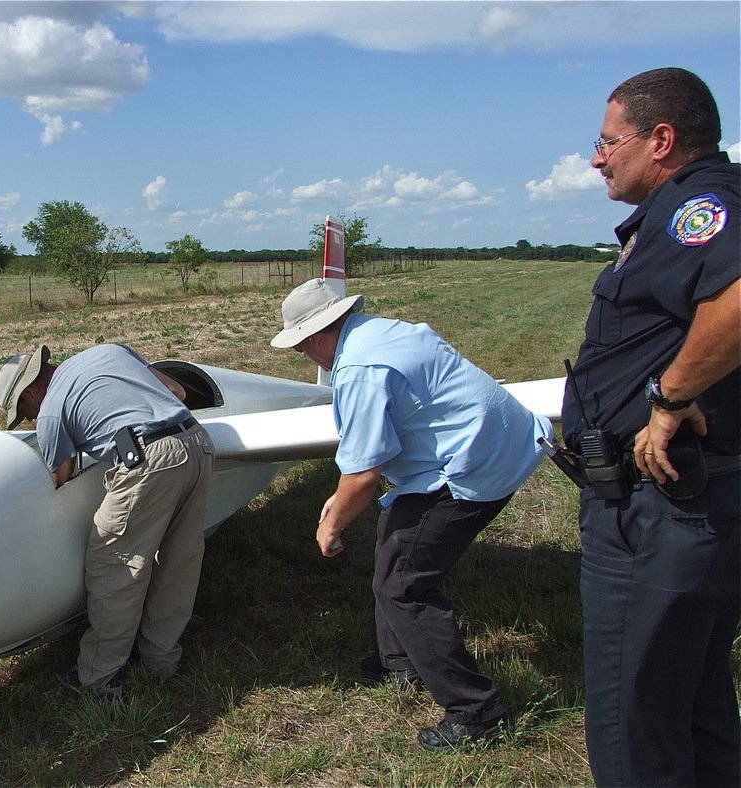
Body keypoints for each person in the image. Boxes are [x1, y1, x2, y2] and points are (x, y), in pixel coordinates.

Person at [270, 277, 552, 751]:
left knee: (403, 587)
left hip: (472, 469)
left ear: (318, 334)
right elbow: (364, 467)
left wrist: (331, 524)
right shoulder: (383, 331)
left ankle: (476, 712)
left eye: (301, 346)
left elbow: (363, 475)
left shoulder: (359, 367)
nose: (305, 355)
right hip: (504, 443)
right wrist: (341, 500)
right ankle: (399, 660)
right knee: (395, 536)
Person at [562, 67, 739, 787]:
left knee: (629, 709)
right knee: (691, 696)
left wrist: (668, 398)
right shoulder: (687, 207)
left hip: (658, 507)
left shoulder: (699, 206)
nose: (597, 157)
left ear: (660, 139)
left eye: (608, 141)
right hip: (691, 501)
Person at [0, 343, 215, 696]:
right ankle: (159, 660)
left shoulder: (50, 409)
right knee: (180, 559)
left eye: (24, 410)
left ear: (31, 391)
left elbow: (60, 477)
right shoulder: (110, 351)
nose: (31, 419)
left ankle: (100, 676)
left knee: (114, 563)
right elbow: (178, 391)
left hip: (148, 458)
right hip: (198, 443)